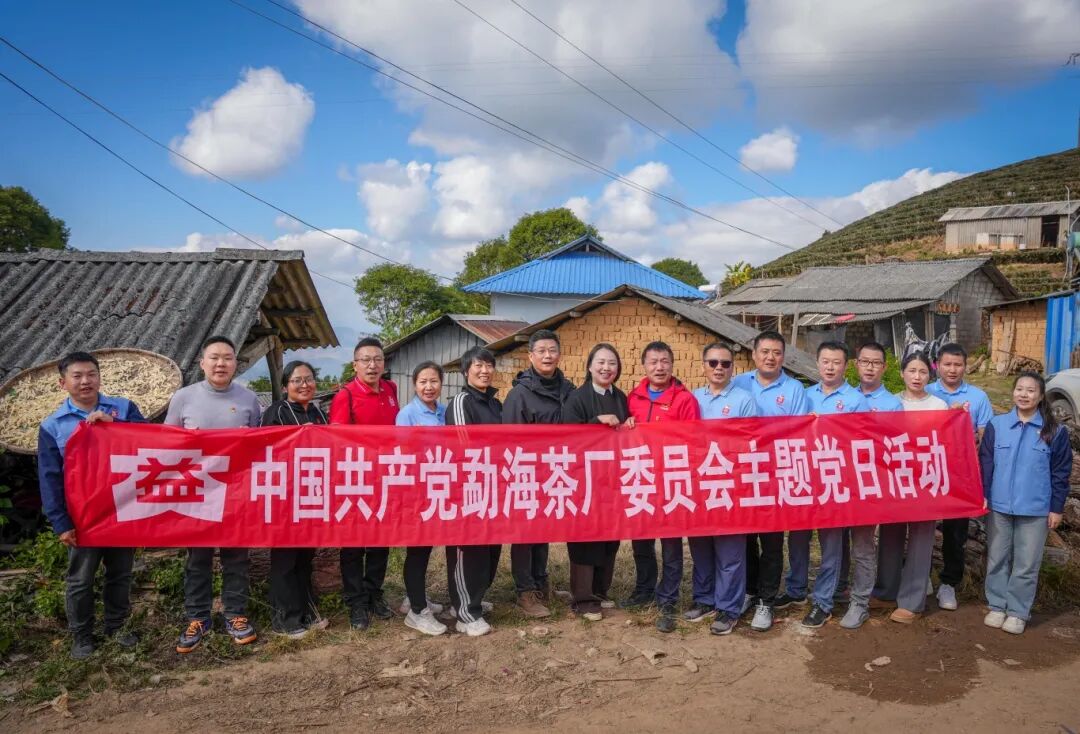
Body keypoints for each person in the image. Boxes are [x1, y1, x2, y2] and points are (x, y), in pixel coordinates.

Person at [38, 351, 146, 659]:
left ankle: (117, 627)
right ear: (63, 383)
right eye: (77, 376)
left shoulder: (123, 408)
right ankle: (82, 636)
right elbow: (49, 478)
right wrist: (61, 522)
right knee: (80, 579)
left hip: (122, 508)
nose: (85, 381)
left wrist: (115, 425)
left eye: (91, 374)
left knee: (120, 573)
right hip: (83, 517)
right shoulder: (53, 425)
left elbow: (149, 439)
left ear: (100, 377)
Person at [166, 335, 262, 654]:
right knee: (198, 559)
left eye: (227, 358)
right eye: (215, 357)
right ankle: (197, 618)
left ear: (236, 363)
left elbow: (259, 447)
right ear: (202, 363)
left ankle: (235, 614)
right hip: (197, 494)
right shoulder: (183, 398)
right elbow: (166, 444)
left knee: (237, 558)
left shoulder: (249, 400)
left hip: (236, 493)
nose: (221, 363)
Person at [780, 341, 868, 628]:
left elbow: (862, 441)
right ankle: (796, 589)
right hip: (804, 478)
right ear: (817, 363)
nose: (830, 367)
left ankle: (823, 601)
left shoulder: (855, 400)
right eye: (825, 361)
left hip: (835, 480)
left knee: (831, 544)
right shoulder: (805, 396)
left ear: (846, 366)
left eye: (836, 362)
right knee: (798, 538)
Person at [980, 372, 1072, 635]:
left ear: (1041, 396)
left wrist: (1056, 508)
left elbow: (1060, 473)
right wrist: (984, 494)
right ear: (1013, 392)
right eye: (1019, 389)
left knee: (1026, 563)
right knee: (997, 558)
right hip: (999, 506)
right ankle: (997, 605)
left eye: (1031, 390)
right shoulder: (997, 425)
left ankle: (1018, 612)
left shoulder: (1054, 431)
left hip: (1035, 509)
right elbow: (986, 464)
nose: (1024, 394)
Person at [732, 330, 809, 632]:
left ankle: (767, 599)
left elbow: (798, 432)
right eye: (764, 351)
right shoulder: (738, 384)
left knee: (772, 542)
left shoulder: (794, 389)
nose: (770, 357)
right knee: (745, 538)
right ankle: (750, 591)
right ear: (754, 354)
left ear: (783, 357)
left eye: (776, 353)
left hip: (776, 476)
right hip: (743, 474)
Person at [625, 340, 701, 633]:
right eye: (654, 362)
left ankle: (668, 598)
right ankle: (644, 589)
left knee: (671, 543)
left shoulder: (684, 400)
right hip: (641, 478)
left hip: (671, 480)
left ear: (672, 364)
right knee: (641, 540)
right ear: (644, 365)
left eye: (665, 361)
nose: (659, 367)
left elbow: (693, 440)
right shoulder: (633, 398)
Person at [502, 329, 575, 619]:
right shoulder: (519, 395)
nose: (547, 356)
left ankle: (541, 582)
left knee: (543, 530)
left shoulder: (567, 390)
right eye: (541, 351)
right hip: (526, 473)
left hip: (555, 473)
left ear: (560, 355)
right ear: (530, 356)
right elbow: (510, 442)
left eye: (552, 350)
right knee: (525, 533)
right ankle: (525, 591)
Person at [329, 337, 400, 631]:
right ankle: (355, 602)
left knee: (381, 541)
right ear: (355, 364)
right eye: (366, 360)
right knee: (354, 545)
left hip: (385, 477)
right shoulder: (345, 396)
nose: (372, 365)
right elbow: (337, 441)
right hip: (355, 480)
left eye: (378, 359)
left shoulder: (391, 389)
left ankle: (374, 593)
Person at [562, 343, 635, 621]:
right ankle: (583, 599)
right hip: (584, 480)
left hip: (613, 479)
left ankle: (600, 591)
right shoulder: (576, 398)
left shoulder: (620, 396)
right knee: (585, 538)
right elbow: (568, 436)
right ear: (590, 366)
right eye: (601, 362)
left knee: (609, 536)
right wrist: (596, 421)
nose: (606, 368)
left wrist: (630, 426)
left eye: (612, 363)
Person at [688, 342, 756, 636]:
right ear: (703, 365)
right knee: (701, 547)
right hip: (697, 484)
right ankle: (705, 599)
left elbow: (749, 442)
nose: (719, 368)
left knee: (730, 551)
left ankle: (729, 608)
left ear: (733, 368)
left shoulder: (743, 400)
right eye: (713, 362)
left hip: (730, 484)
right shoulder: (692, 398)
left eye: (725, 364)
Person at [877, 352, 949, 624]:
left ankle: (912, 601)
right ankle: (886, 590)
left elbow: (946, 443)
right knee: (890, 535)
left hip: (925, 480)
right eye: (912, 371)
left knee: (921, 539)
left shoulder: (939, 405)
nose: (917, 377)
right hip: (895, 479)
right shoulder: (891, 402)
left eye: (922, 372)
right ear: (902, 373)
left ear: (930, 375)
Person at [260, 360, 328, 639]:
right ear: (286, 385)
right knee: (285, 559)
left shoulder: (319, 412)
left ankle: (306, 611)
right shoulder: (277, 411)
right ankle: (284, 619)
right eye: (297, 380)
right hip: (284, 496)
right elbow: (265, 449)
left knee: (305, 557)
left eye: (309, 379)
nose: (304, 385)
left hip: (311, 495)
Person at [838, 342, 903, 630]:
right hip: (838, 481)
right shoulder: (844, 397)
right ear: (856, 364)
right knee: (835, 543)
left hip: (869, 485)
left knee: (863, 545)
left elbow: (895, 445)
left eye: (876, 363)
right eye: (865, 361)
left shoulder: (892, 404)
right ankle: (837, 591)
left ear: (884, 368)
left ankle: (860, 602)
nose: (870, 367)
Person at [927, 343, 993, 611]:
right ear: (937, 365)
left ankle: (949, 583)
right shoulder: (927, 392)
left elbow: (984, 438)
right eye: (947, 364)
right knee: (922, 528)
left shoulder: (978, 397)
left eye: (958, 365)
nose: (952, 370)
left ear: (966, 366)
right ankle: (920, 576)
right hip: (928, 473)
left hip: (960, 476)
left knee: (956, 532)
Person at [444, 346, 503, 636]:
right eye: (478, 366)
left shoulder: (496, 404)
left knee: (490, 548)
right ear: (466, 371)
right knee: (468, 550)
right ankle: (465, 613)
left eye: (489, 365)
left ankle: (474, 598)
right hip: (469, 488)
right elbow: (462, 447)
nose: (484, 371)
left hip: (494, 485)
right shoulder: (461, 402)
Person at [395, 361, 449, 637]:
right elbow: (402, 455)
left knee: (427, 548)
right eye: (423, 382)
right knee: (417, 550)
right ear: (414, 385)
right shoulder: (407, 415)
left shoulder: (444, 412)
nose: (429, 387)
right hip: (416, 492)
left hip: (439, 489)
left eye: (434, 381)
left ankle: (414, 597)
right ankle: (417, 612)